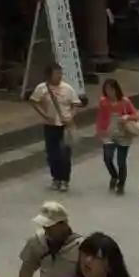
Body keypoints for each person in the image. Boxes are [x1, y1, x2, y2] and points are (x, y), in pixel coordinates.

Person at [17, 202, 84, 277]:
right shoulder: (37, 241)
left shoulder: (81, 247)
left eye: (50, 226)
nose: (46, 228)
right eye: (44, 225)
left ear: (63, 224)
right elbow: (27, 268)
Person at [31, 63, 83, 191]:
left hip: (65, 125)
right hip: (50, 125)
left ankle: (65, 179)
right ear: (49, 75)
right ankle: (56, 178)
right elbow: (34, 101)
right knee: (52, 154)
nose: (59, 76)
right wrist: (44, 115)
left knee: (64, 154)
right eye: (56, 74)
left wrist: (70, 116)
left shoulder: (67, 88)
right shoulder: (41, 88)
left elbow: (76, 104)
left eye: (60, 73)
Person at [97, 78, 139, 194]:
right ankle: (114, 176)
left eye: (111, 90)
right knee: (107, 158)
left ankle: (121, 184)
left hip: (123, 134)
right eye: (107, 90)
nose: (109, 92)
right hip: (109, 133)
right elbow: (100, 117)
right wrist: (99, 130)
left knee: (121, 161)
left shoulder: (125, 102)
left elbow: (137, 115)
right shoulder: (103, 102)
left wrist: (126, 117)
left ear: (116, 90)